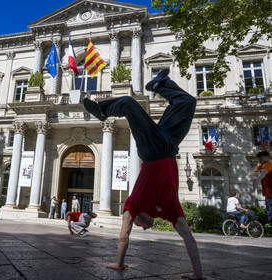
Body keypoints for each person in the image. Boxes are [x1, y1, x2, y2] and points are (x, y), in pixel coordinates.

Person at [83, 69, 205, 280]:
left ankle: (102, 111)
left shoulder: (134, 204)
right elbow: (189, 239)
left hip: (151, 150)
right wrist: (198, 275)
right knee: (188, 103)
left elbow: (123, 236)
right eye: (141, 227)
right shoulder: (169, 210)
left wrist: (119, 264)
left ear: (136, 218)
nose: (144, 228)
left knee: (129, 103)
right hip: (169, 144)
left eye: (137, 226)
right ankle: (160, 85)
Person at [251, 150, 272, 222]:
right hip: (268, 197)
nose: (260, 160)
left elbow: (264, 172)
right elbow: (252, 173)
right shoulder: (260, 166)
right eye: (259, 159)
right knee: (270, 217)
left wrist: (258, 178)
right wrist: (256, 173)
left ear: (268, 158)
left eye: (261, 158)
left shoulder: (268, 164)